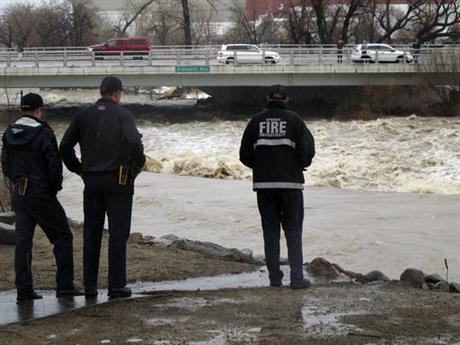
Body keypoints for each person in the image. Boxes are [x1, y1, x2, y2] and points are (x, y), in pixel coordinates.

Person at [59, 76, 145, 299]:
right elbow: (135, 143)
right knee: (117, 234)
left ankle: (90, 286)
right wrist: (137, 165)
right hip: (118, 181)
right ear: (117, 93)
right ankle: (116, 286)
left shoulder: (83, 115)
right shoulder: (123, 114)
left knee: (91, 233)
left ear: (101, 92)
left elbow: (65, 146)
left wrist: (79, 169)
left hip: (92, 181)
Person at [1, 93, 82, 301]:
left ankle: (24, 290)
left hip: (19, 192)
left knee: (23, 242)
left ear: (21, 110)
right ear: (39, 110)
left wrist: (18, 182)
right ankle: (64, 286)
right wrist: (53, 188)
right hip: (41, 193)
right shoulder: (44, 133)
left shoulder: (9, 133)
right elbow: (54, 166)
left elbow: (6, 166)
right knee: (63, 236)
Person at [239, 85, 315, 289]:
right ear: (287, 100)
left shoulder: (256, 122)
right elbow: (308, 150)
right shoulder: (295, 121)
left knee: (270, 232)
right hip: (291, 185)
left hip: (264, 186)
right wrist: (297, 165)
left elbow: (244, 155)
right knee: (293, 232)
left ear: (267, 98)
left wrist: (262, 165)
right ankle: (297, 279)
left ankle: (275, 278)